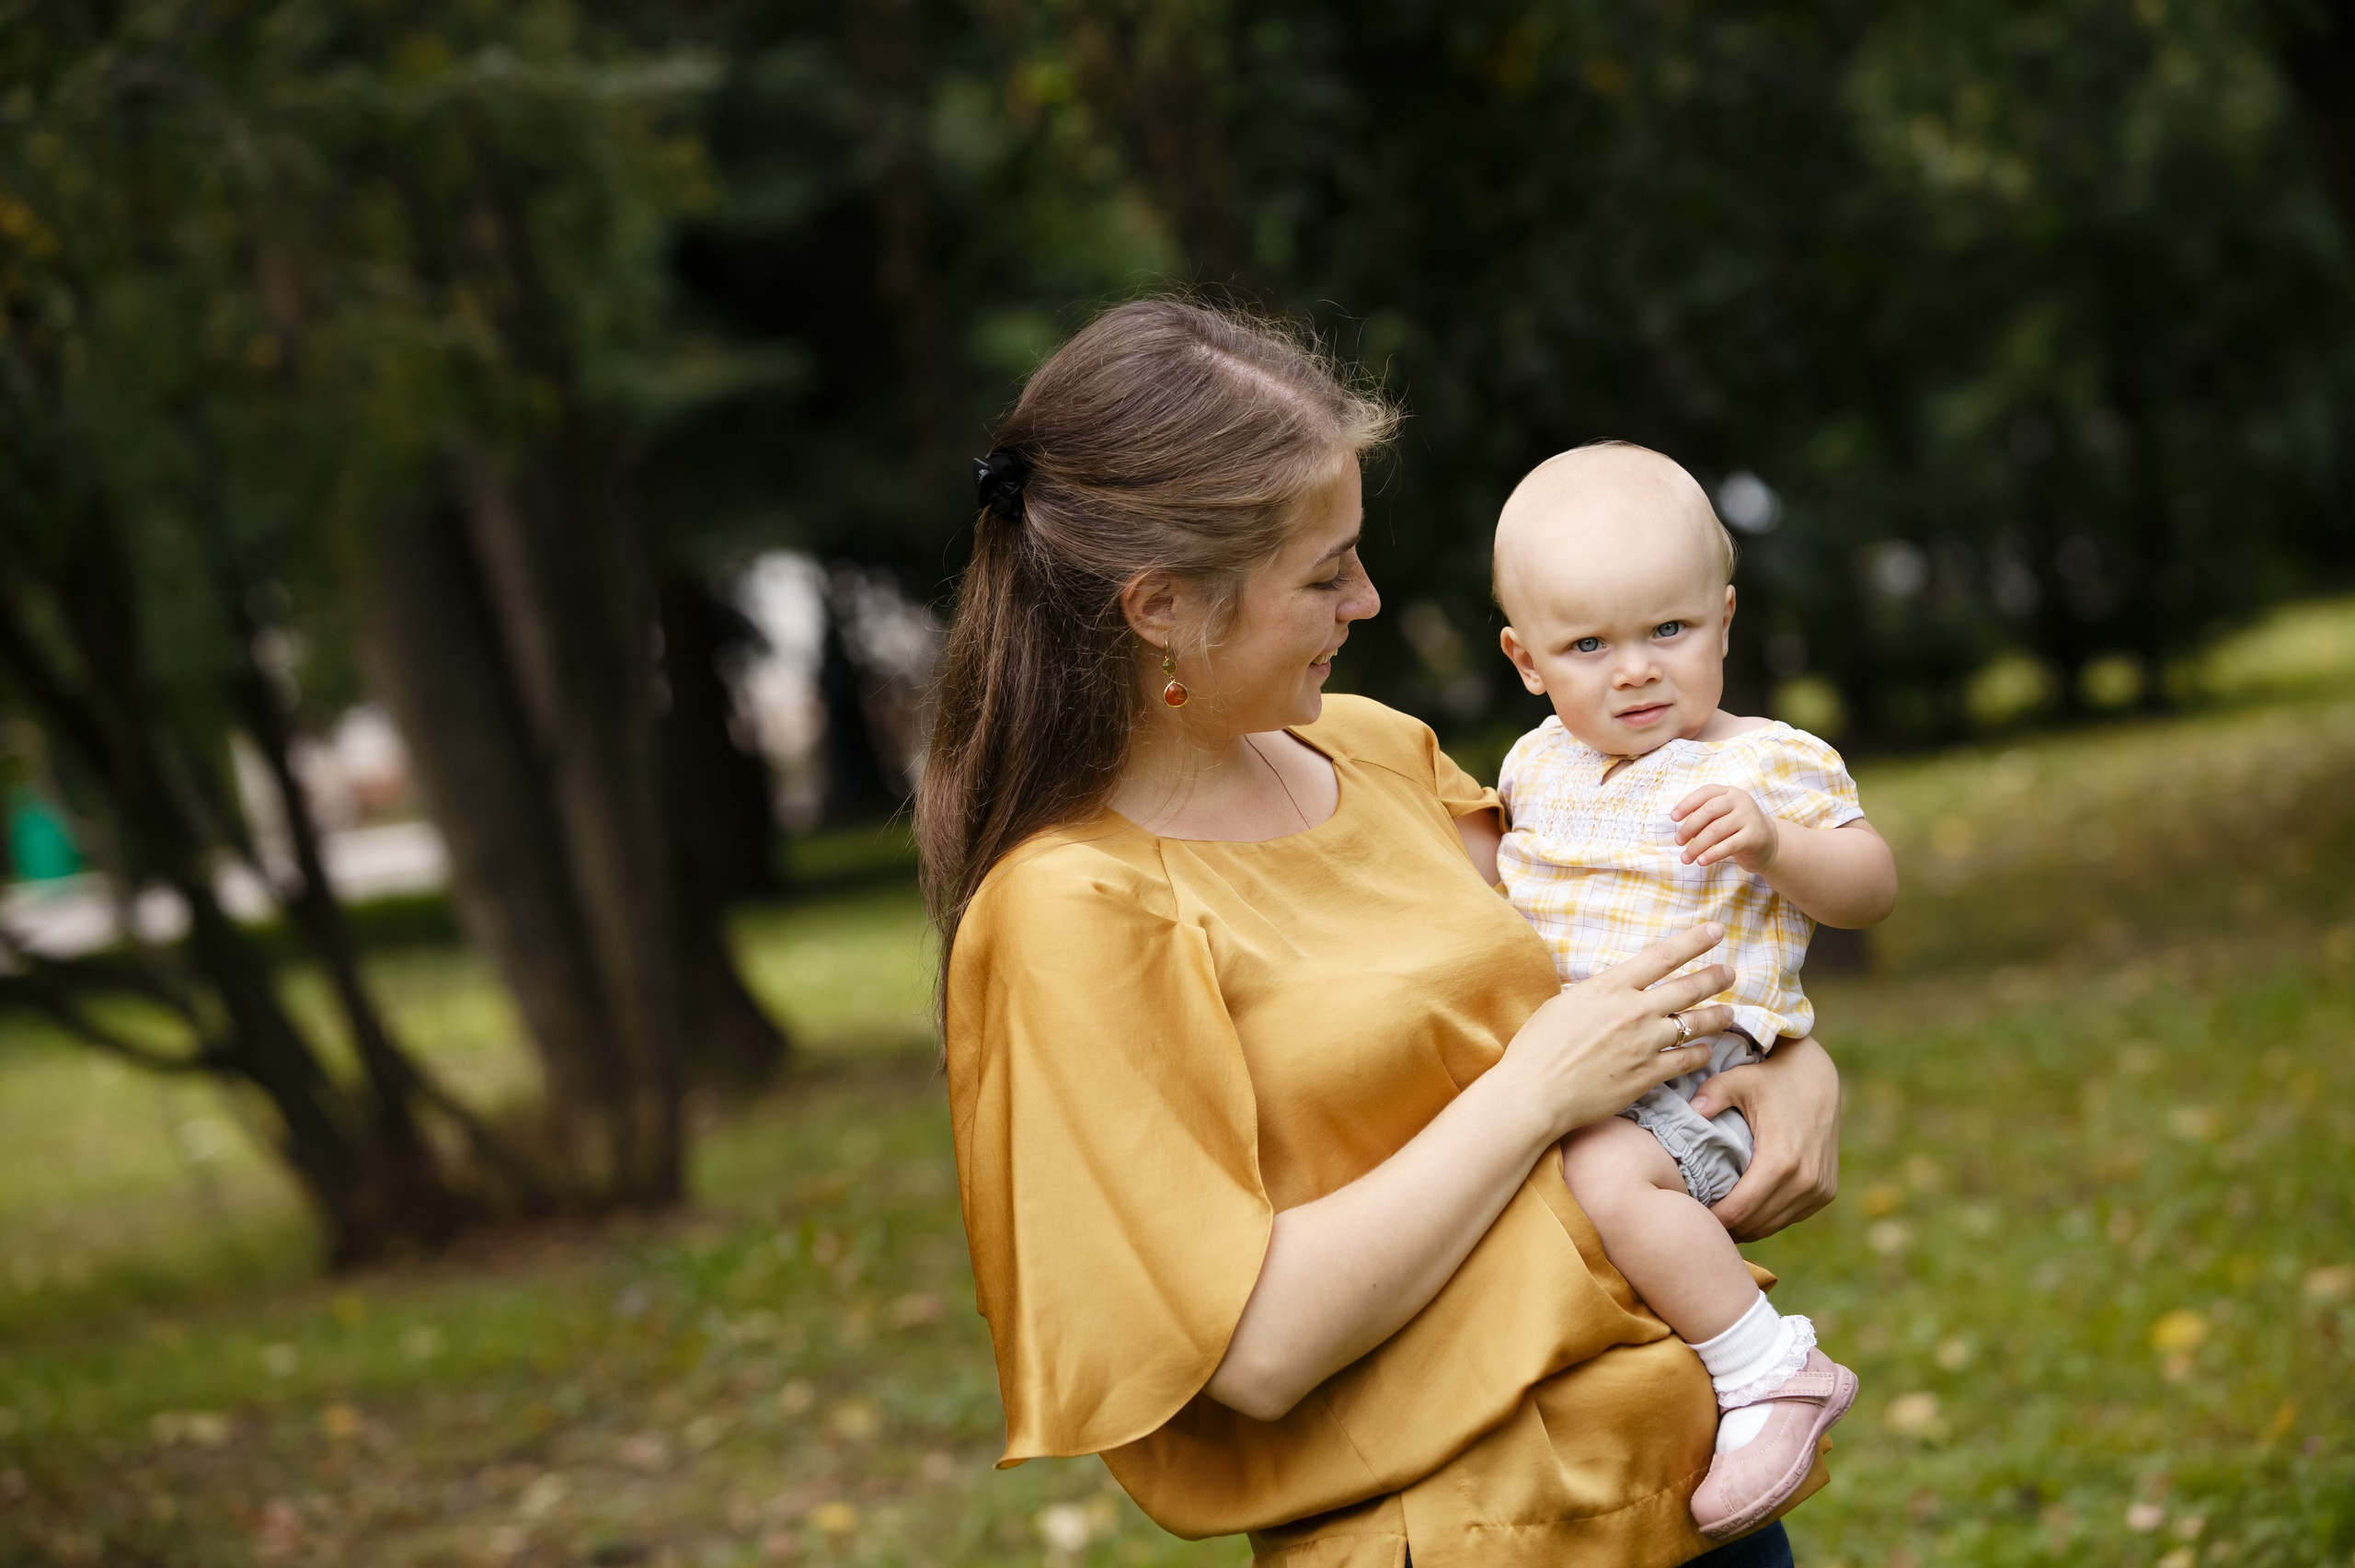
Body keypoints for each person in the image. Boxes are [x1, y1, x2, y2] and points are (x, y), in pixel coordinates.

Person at [917, 299, 1845, 1568]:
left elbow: (1611, 950)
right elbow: (1254, 1346)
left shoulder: (1371, 750)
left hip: (1690, 1487)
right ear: (1160, 609)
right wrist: (1533, 1093)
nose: (1368, 597)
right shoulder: (1073, 910)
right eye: (1324, 571)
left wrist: (1795, 1065)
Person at [1490, 443, 1899, 1539]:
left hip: (1691, 1070)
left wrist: (1775, 845)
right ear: (1526, 661)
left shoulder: (1766, 760)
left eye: (1667, 631)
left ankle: (1769, 1368)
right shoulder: (1533, 768)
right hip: (1576, 1059)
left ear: (1722, 619)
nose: (1634, 670)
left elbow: (1870, 884)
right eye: (1588, 645)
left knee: (1604, 1172)